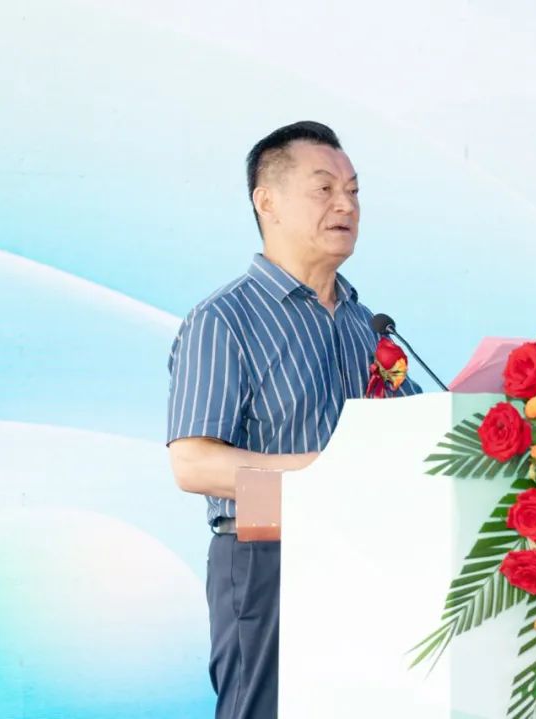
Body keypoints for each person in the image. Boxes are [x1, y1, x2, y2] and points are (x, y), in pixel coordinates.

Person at [165, 121, 422, 719]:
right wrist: (322, 474)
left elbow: (408, 438)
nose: (346, 205)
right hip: (267, 553)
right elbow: (193, 463)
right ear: (268, 202)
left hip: (369, 552)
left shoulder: (365, 323)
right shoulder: (225, 318)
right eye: (324, 188)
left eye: (353, 191)